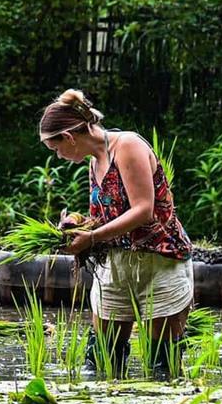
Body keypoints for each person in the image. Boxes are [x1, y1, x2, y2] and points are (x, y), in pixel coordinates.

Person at [39, 89, 194, 376]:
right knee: (102, 362)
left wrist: (93, 237)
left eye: (56, 149)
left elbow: (143, 210)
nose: (58, 156)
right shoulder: (94, 163)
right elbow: (105, 218)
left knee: (163, 367)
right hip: (117, 264)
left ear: (70, 137)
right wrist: (77, 226)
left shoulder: (127, 146)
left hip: (159, 260)